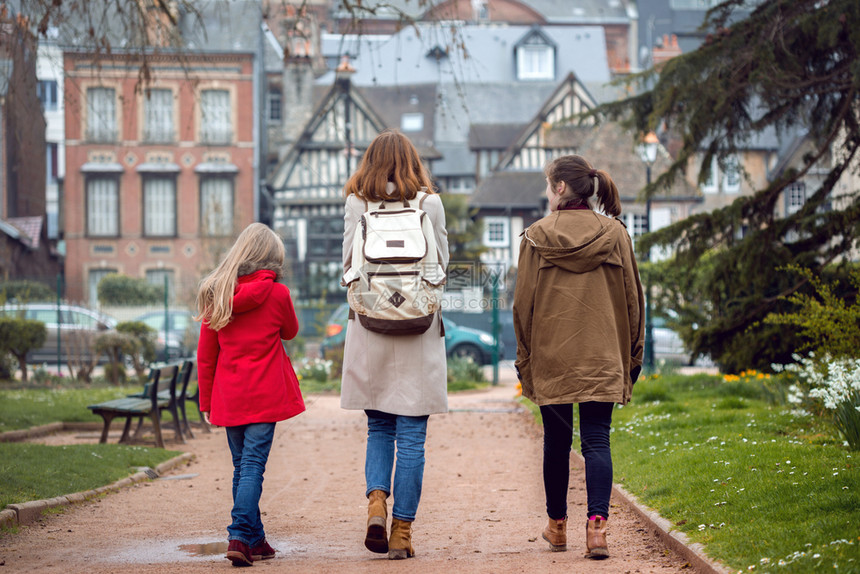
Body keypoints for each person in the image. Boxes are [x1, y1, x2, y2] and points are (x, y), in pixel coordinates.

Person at [513, 154, 644, 560]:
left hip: (552, 355)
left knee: (556, 440)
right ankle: (597, 531)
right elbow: (633, 300)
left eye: (547, 185)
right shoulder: (616, 234)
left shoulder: (535, 237)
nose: (545, 192)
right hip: (603, 355)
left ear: (560, 188)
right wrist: (632, 356)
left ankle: (557, 528)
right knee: (596, 439)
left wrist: (525, 357)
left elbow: (522, 306)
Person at [340, 129, 449, 560]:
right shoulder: (430, 204)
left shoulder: (356, 203)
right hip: (418, 330)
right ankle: (402, 532)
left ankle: (376, 503)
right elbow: (441, 261)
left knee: (379, 426)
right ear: (412, 162)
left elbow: (348, 264)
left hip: (370, 329)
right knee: (413, 437)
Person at [195, 222, 305, 567]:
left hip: (229, 397)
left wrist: (206, 402)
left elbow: (206, 355)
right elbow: (291, 331)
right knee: (252, 467)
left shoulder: (218, 297)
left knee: (242, 467)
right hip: (266, 395)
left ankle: (255, 539)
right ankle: (240, 535)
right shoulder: (279, 295)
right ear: (271, 260)